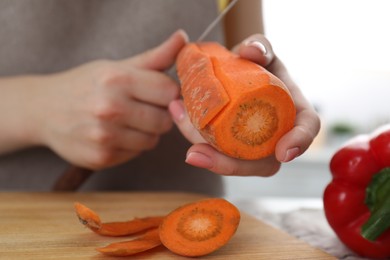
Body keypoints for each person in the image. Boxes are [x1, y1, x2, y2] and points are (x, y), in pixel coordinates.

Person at [0, 0, 320, 195]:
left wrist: (269, 84)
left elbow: (247, 55)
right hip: (17, 219)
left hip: (186, 218)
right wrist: (33, 107)